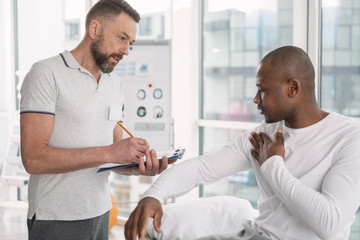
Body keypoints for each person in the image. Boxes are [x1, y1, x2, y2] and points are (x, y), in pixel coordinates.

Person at [124, 46, 360, 240]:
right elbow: (202, 168)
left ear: (293, 88)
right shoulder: (265, 133)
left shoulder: (349, 137)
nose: (256, 99)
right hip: (255, 234)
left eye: (262, 90)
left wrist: (273, 165)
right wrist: (153, 195)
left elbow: (329, 224)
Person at [20, 1, 175, 239]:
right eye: (121, 38)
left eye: (130, 43)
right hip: (55, 218)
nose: (126, 51)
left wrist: (137, 168)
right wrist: (112, 152)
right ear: (94, 30)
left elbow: (111, 156)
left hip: (101, 213)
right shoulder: (46, 74)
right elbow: (33, 158)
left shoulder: (116, 84)